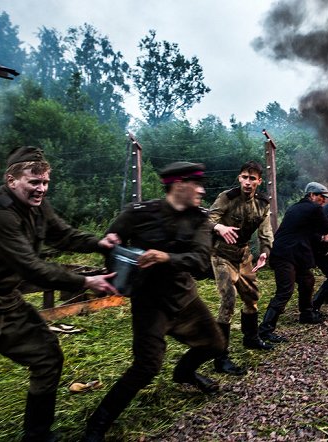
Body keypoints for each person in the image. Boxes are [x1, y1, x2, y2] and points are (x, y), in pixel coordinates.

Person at [0, 146, 119, 442]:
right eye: (34, 182)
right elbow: (30, 267)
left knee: (47, 357)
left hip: (6, 301)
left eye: (45, 182)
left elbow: (64, 234)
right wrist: (85, 282)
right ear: (11, 179)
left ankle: (37, 435)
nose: (41, 189)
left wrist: (100, 244)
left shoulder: (37, 206)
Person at [83, 162, 225, 441]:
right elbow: (112, 243)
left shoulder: (201, 220)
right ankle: (98, 424)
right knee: (146, 366)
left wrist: (166, 258)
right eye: (196, 184)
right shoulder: (139, 213)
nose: (202, 190)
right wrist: (112, 244)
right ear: (178, 184)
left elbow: (199, 262)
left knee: (216, 344)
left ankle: (184, 373)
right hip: (149, 302)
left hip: (184, 298)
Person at [207, 160, 274, 377]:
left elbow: (266, 231)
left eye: (252, 178)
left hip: (243, 256)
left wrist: (265, 251)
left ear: (259, 181)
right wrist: (219, 227)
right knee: (228, 301)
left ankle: (251, 338)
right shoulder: (227, 197)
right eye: (244, 177)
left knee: (252, 296)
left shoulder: (263, 203)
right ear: (239, 178)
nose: (247, 182)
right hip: (222, 255)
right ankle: (220, 357)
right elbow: (208, 219)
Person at [258, 182, 328, 343]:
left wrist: (325, 246)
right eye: (321, 197)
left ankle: (306, 313)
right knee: (285, 291)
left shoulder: (298, 208)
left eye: (325, 198)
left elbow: (311, 234)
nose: (324, 201)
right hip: (285, 255)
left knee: (307, 280)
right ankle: (265, 330)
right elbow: (327, 225)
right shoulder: (312, 209)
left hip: (296, 254)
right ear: (312, 195)